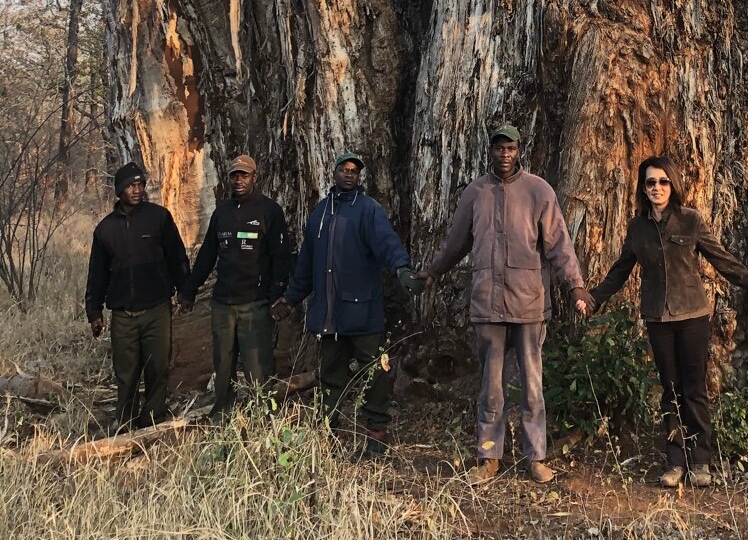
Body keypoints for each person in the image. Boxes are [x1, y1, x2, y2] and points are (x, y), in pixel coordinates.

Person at [418, 124, 594, 487]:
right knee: (491, 386)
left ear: (519, 151)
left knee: (532, 385)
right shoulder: (476, 193)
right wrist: (434, 272)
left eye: (510, 148)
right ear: (491, 151)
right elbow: (455, 243)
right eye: (499, 148)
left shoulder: (538, 190)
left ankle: (537, 456)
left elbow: (559, 244)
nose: (504, 154)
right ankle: (488, 456)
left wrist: (576, 287)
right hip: (487, 304)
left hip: (529, 303)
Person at [589, 154, 748, 488]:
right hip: (658, 317)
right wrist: (593, 297)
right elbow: (620, 270)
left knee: (695, 390)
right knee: (671, 390)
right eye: (650, 182)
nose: (657, 187)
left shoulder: (691, 221)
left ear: (673, 184)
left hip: (693, 316)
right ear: (643, 187)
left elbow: (721, 258)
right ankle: (675, 462)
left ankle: (701, 462)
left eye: (663, 181)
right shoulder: (638, 228)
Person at [271, 152, 421, 451]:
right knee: (329, 373)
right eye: (344, 169)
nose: (349, 174)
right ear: (335, 172)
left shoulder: (368, 210)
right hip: (328, 314)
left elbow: (387, 243)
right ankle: (329, 429)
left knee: (374, 371)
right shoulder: (319, 214)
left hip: (362, 310)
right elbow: (306, 266)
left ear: (359, 177)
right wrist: (289, 299)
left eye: (354, 171)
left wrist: (402, 267)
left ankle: (376, 431)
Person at [176, 153, 293, 419]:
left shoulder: (269, 210)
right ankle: (222, 413)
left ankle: (262, 415)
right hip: (223, 304)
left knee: (257, 364)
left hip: (255, 302)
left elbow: (281, 257)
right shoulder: (222, 213)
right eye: (234, 175)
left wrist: (277, 296)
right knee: (223, 362)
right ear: (229, 179)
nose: (239, 180)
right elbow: (207, 255)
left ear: (255, 177)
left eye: (244, 175)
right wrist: (189, 290)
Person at [84, 161, 190, 432]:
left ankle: (153, 417)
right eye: (131, 185)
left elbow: (177, 258)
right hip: (123, 314)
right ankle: (127, 420)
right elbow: (97, 274)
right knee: (126, 372)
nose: (137, 189)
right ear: (119, 190)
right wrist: (94, 312)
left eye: (140, 184)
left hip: (157, 308)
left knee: (158, 366)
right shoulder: (105, 229)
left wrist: (185, 291)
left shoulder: (159, 218)